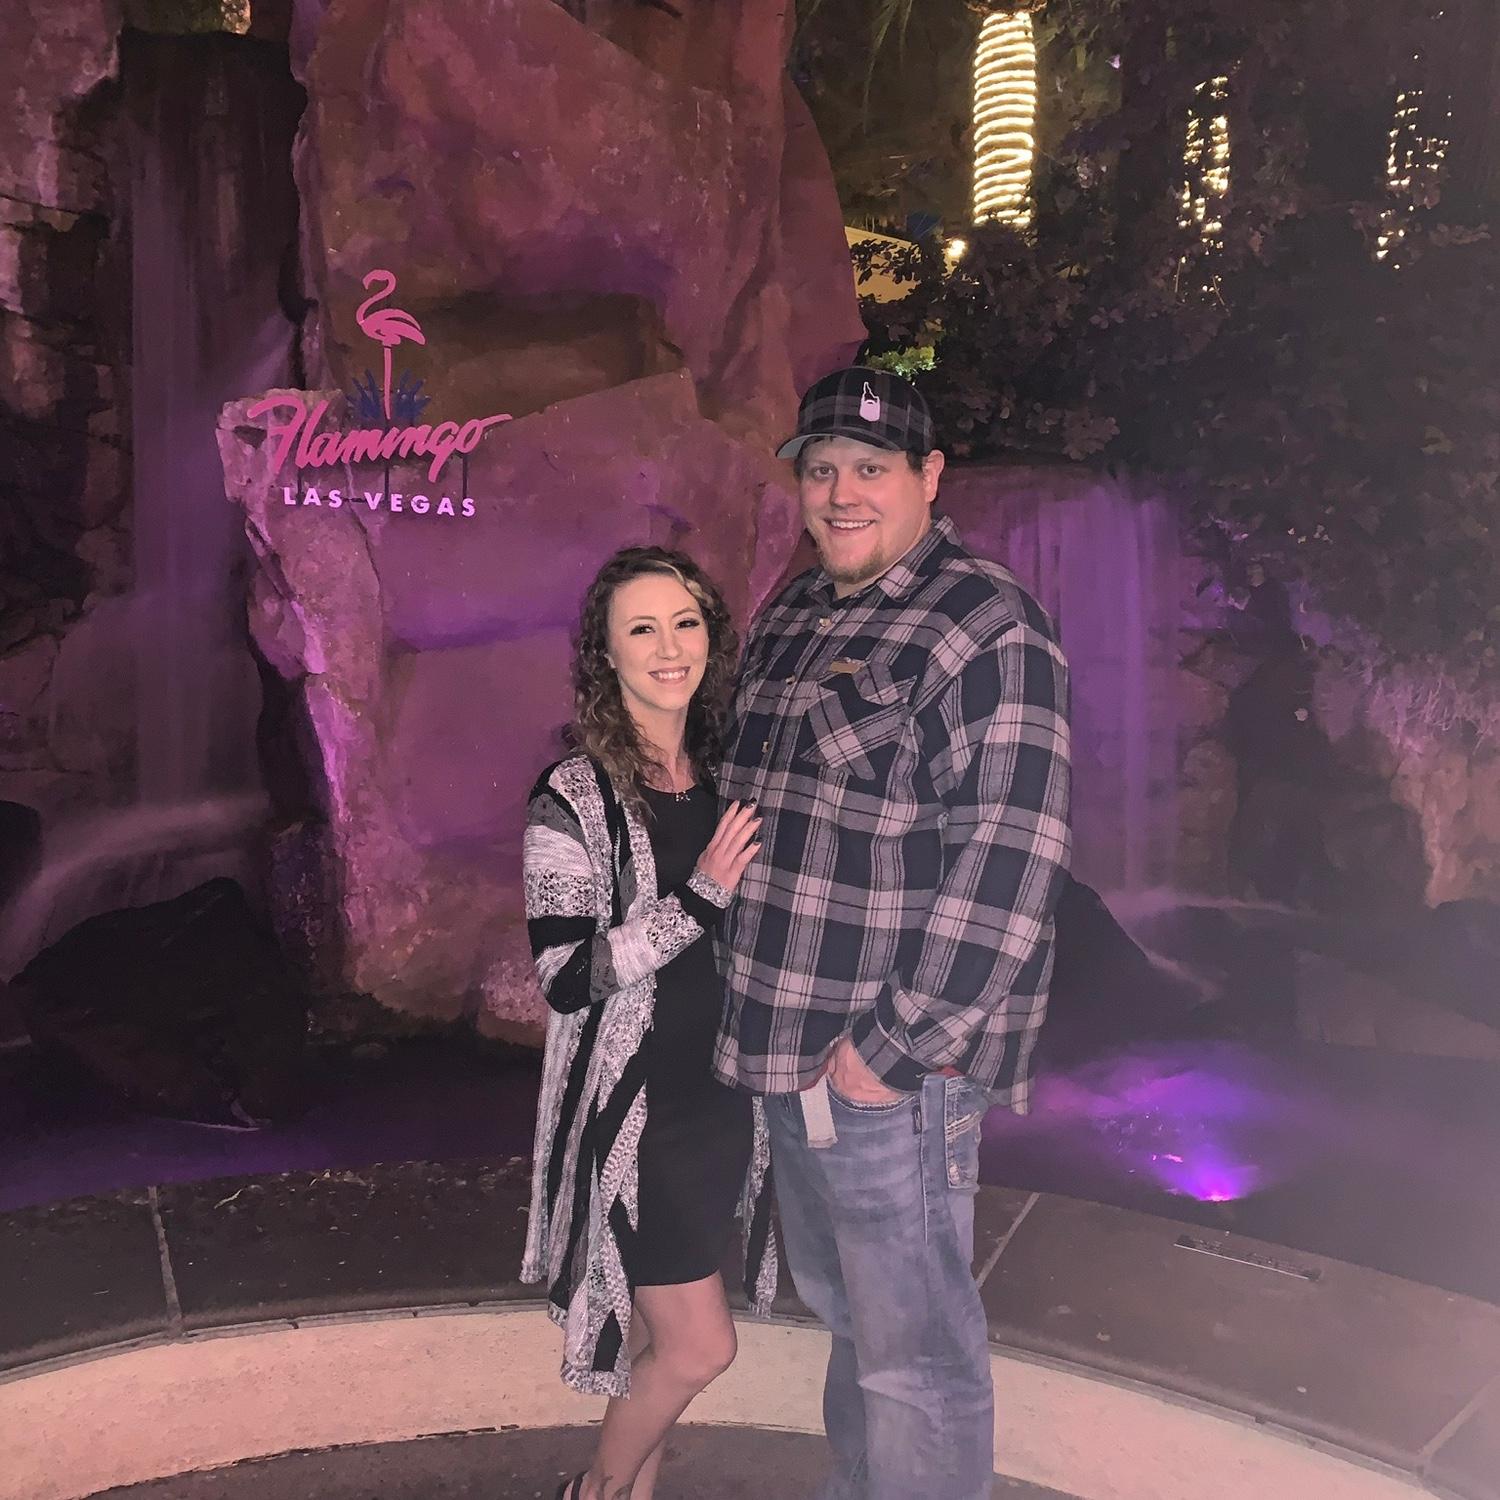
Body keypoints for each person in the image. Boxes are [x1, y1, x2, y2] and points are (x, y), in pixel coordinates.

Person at [713, 366, 1073, 1500]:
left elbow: (1012, 857)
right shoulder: (793, 612)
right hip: (789, 1048)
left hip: (888, 1068)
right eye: (821, 470)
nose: (841, 493)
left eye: (871, 468)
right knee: (854, 1324)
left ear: (929, 476)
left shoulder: (988, 626)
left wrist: (894, 1048)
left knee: (916, 1357)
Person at [521, 546, 777, 1500]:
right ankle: (589, 1492)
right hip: (640, 1116)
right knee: (702, 1347)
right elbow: (566, 976)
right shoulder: (571, 795)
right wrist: (697, 898)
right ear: (607, 654)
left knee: (662, 1343)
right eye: (642, 628)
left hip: (722, 1101)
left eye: (685, 623)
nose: (670, 648)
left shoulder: (725, 774)